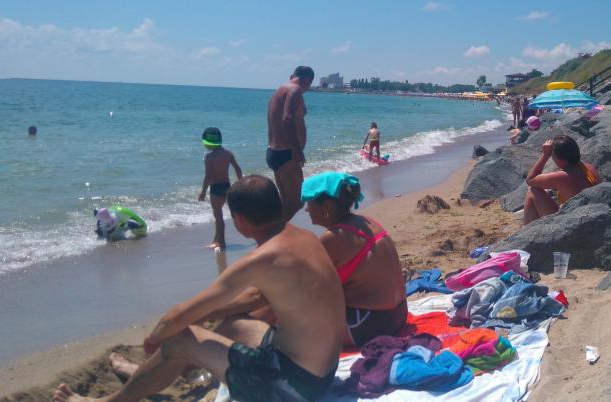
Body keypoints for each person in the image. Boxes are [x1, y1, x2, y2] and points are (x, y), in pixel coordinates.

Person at [54, 175, 345, 402]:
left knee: (180, 337)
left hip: (292, 389)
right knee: (234, 325)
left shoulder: (262, 258)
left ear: (240, 220)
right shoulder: (305, 238)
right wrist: (203, 316)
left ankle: (109, 400)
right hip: (319, 375)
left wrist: (156, 337)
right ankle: (148, 373)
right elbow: (256, 296)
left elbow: (180, 314)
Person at [302, 172, 407, 348]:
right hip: (399, 314)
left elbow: (307, 289)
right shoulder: (366, 221)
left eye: (309, 203)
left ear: (325, 206)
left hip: (370, 324)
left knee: (293, 330)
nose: (306, 209)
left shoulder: (333, 238)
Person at [267, 66, 314, 221]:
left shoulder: (280, 90)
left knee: (286, 203)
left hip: (275, 152)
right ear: (308, 81)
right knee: (296, 202)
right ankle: (271, 232)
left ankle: (275, 231)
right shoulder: (295, 90)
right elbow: (287, 119)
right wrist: (297, 150)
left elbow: (273, 122)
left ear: (292, 76)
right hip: (287, 154)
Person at [522, 135, 601, 225]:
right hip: (592, 215)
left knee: (533, 191)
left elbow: (530, 180)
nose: (553, 159)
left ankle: (528, 231)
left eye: (553, 156)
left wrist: (545, 155)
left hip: (576, 223)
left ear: (563, 161)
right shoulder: (589, 167)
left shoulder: (562, 177)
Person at [198, 127, 244, 251]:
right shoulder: (228, 153)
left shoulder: (209, 157)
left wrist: (203, 192)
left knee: (218, 217)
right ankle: (216, 240)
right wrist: (241, 183)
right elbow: (237, 169)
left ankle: (221, 242)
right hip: (227, 186)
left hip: (216, 188)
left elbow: (208, 176)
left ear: (208, 143)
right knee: (227, 215)